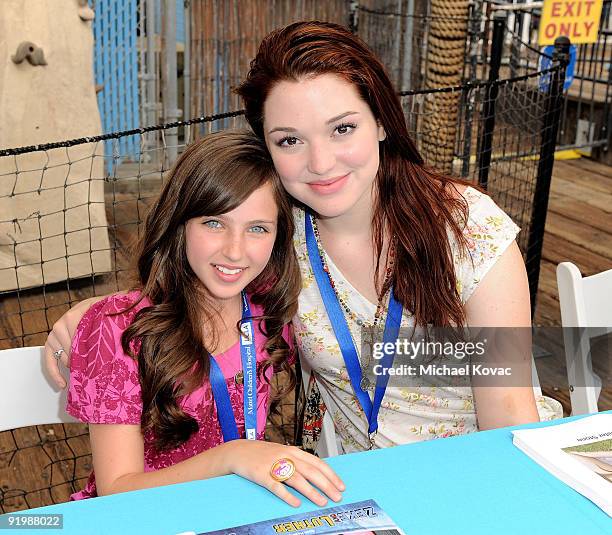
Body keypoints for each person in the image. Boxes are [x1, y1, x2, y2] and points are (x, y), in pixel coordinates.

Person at [45, 22, 560, 455]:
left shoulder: (466, 228)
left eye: (342, 129)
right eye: (290, 140)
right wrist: (99, 311)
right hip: (357, 495)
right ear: (267, 149)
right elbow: (198, 285)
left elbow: (508, 420)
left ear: (381, 122)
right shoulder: (278, 239)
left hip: (486, 469)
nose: (320, 163)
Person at [60, 130, 344, 506]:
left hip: (237, 509)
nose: (235, 250)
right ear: (179, 222)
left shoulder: (269, 310)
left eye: (257, 228)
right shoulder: (117, 330)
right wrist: (231, 457)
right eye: (214, 223)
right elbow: (116, 490)